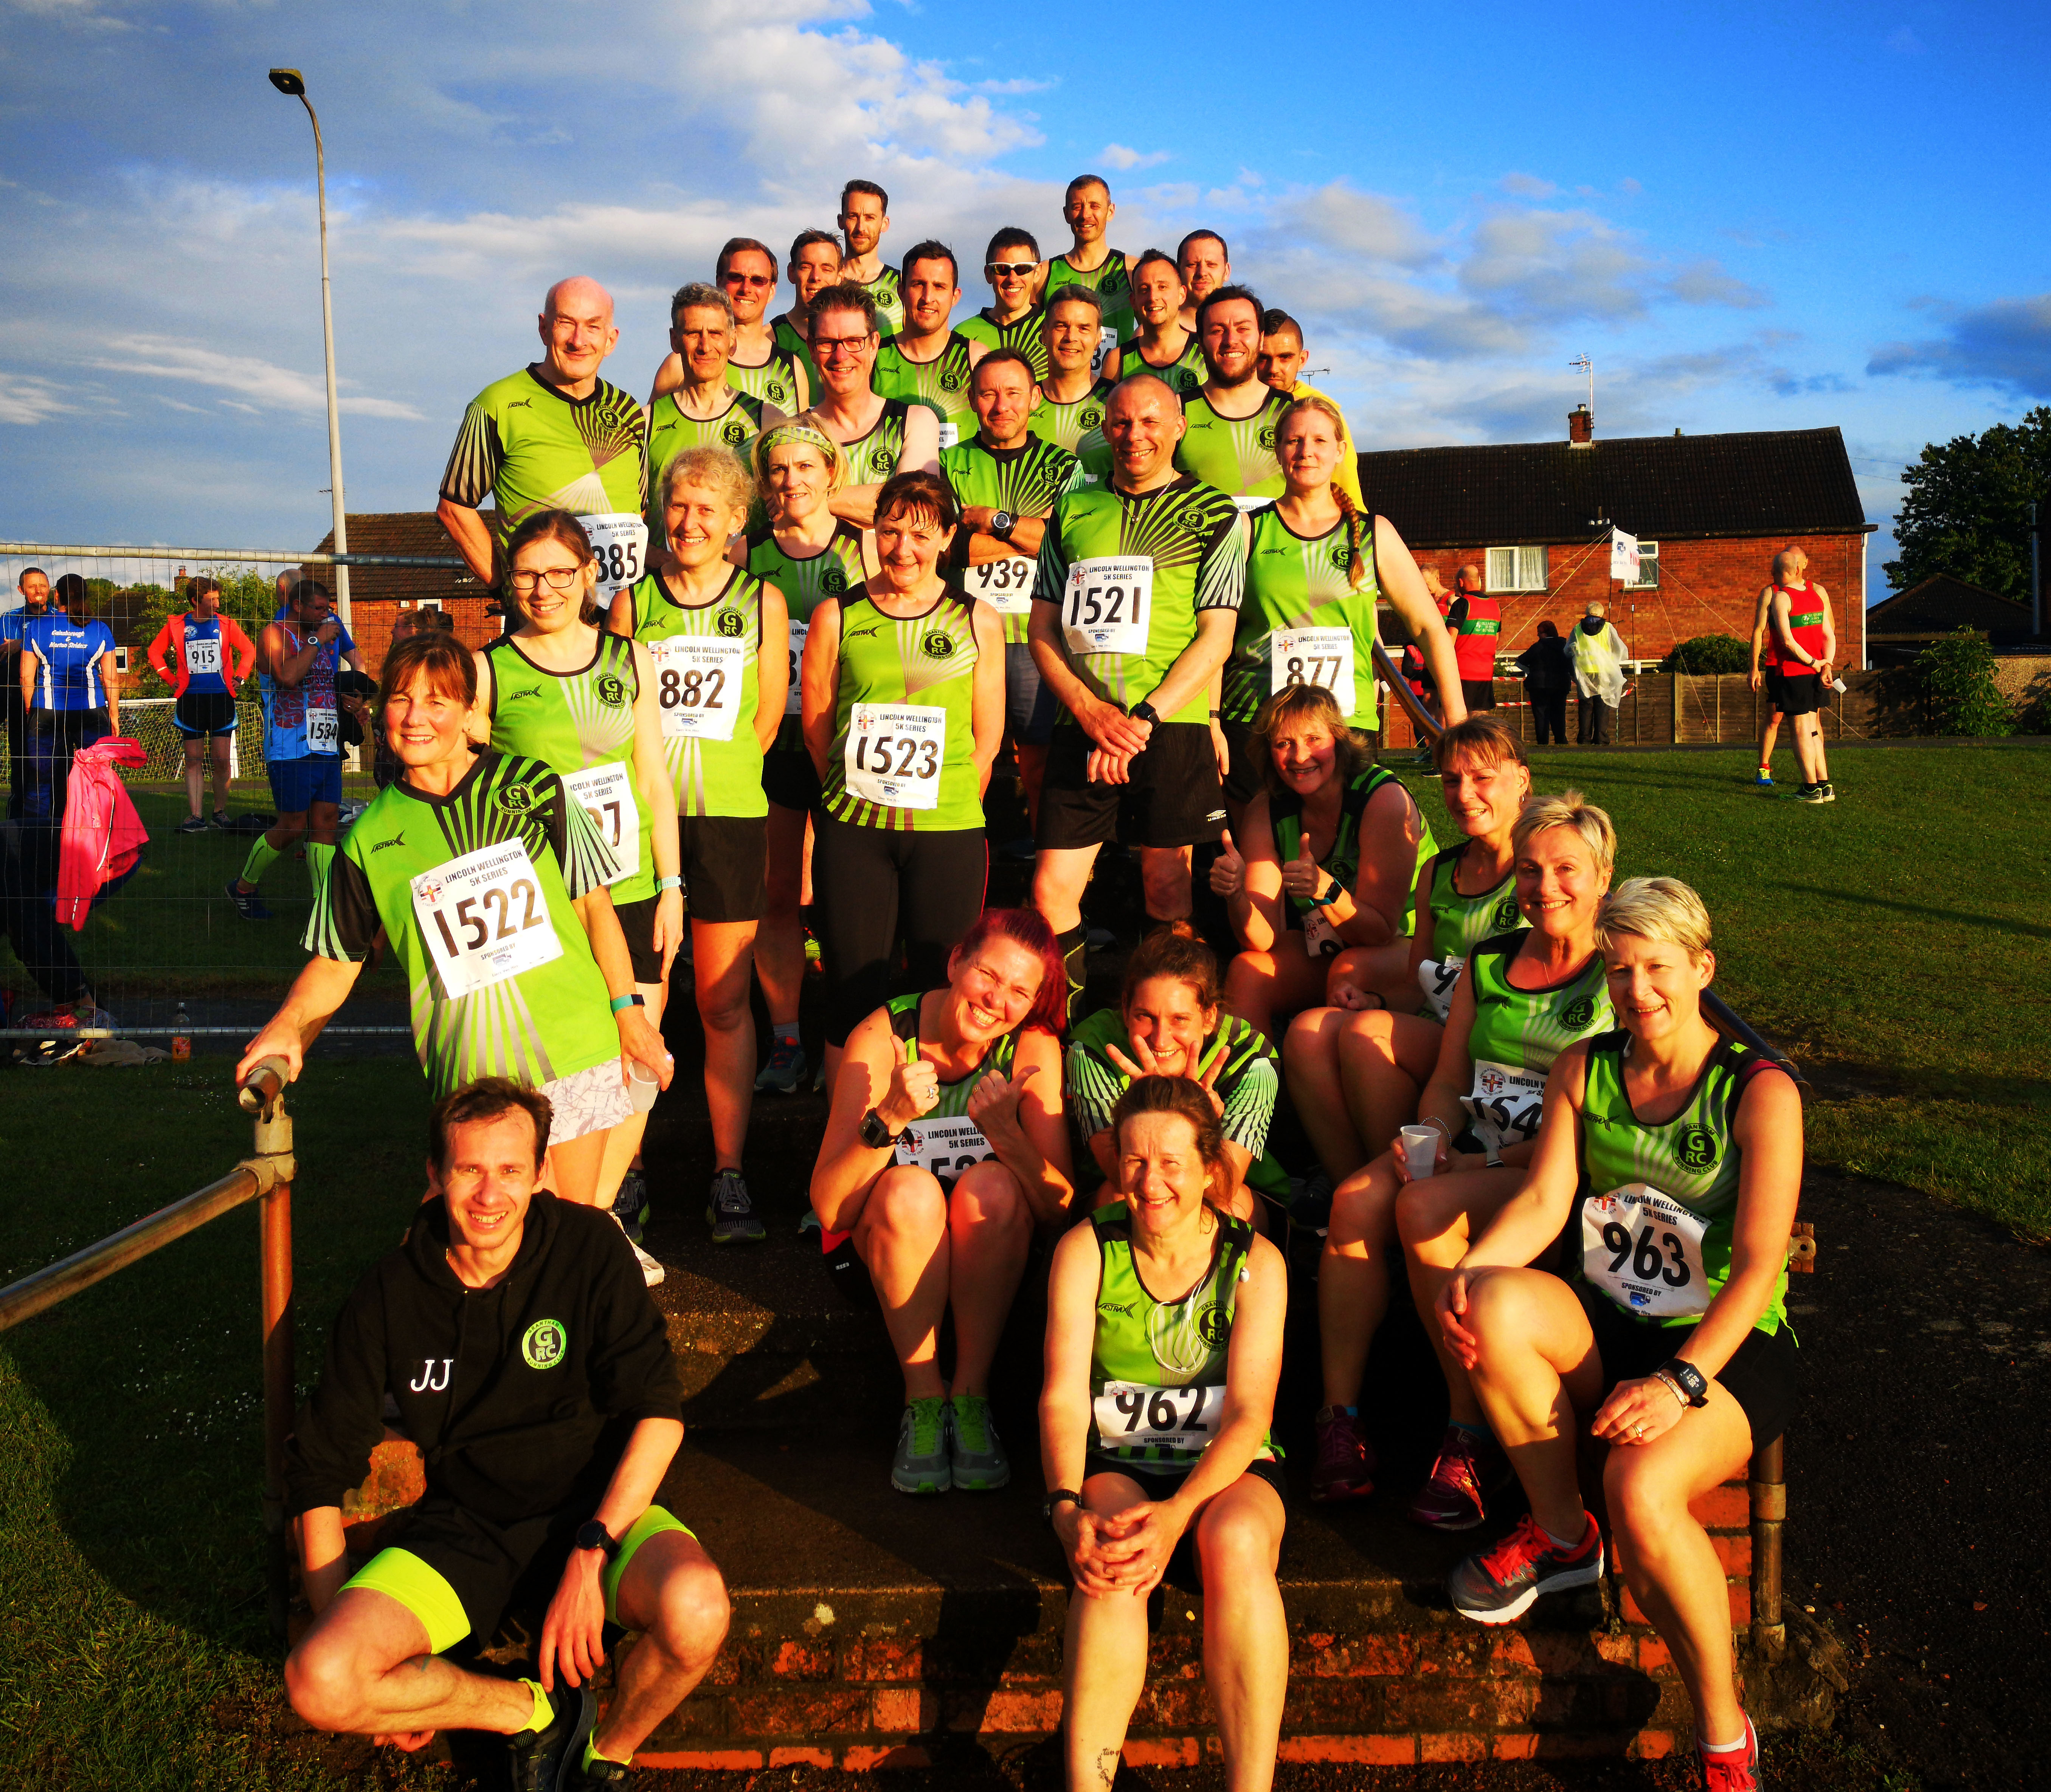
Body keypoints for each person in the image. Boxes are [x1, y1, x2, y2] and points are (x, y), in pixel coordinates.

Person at [1432, 879, 1798, 1790]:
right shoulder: (1582, 1067)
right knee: (1492, 1301)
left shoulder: (1758, 1091)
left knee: (1639, 1490)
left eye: (1658, 969)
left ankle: (1721, 1734)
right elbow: (1542, 1202)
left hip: (1722, 1342)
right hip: (1607, 1318)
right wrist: (1470, 1276)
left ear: (1700, 969)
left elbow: (1755, 1267)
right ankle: (1560, 1538)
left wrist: (1677, 1382)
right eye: (1621, 969)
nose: (1638, 991)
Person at [281, 1078, 730, 1788]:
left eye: (511, 1170)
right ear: (434, 1175)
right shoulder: (389, 1292)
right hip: (467, 1528)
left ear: (541, 1172)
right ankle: (525, 1713)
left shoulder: (588, 1249)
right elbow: (319, 1465)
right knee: (321, 1680)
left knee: (698, 1611)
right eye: (469, 1170)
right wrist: (349, 1637)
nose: (490, 1195)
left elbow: (659, 1411)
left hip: (597, 1512)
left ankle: (602, 1756)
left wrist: (592, 1549)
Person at [235, 630, 672, 1209]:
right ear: (379, 710)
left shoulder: (533, 785)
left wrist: (630, 1016)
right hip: (471, 1072)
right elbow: (337, 962)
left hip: (574, 1046)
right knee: (471, 1242)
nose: (416, 717)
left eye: (438, 701)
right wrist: (289, 1023)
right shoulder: (368, 838)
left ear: (471, 714)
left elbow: (594, 907)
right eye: (401, 699)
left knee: (565, 1231)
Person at [1314, 791, 1617, 1509]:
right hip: (1471, 1151)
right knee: (1353, 1202)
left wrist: (1471, 1164)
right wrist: (1437, 1134)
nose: (1545, 889)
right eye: (1531, 871)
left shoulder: (1617, 976)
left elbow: (1593, 1124)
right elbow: (1450, 1078)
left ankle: (1467, 1427)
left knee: (1423, 1206)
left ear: (1603, 876)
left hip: (1548, 1169)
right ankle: (1339, 1416)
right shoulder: (1489, 961)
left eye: (1566, 870)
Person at [1041, 1074, 1288, 1792]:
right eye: (1134, 1161)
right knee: (1112, 1544)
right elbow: (1061, 1396)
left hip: (1226, 1469)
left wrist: (1180, 1515)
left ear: (1210, 1170)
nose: (1150, 1184)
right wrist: (1062, 1505)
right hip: (1117, 1459)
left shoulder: (1255, 1262)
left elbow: (1249, 1415)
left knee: (1235, 1542)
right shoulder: (1086, 1249)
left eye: (1171, 1164)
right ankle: (1089, 1783)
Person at [478, 510, 683, 1283]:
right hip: (544, 906)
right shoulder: (490, 669)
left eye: (560, 572)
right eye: (528, 574)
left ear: (589, 576)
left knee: (638, 1065)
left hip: (632, 888)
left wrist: (672, 886)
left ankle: (597, 1225)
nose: (544, 589)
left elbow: (656, 781)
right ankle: (562, 1225)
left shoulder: (630, 658)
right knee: (560, 1070)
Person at [809, 909, 1073, 1493]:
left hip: (994, 1250)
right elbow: (830, 1209)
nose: (995, 1000)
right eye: (988, 975)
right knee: (910, 1191)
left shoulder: (1032, 1051)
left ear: (1032, 1006)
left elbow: (1059, 1208)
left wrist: (1008, 1136)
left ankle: (972, 1397)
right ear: (956, 963)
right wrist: (891, 1118)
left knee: (995, 1185)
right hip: (882, 1246)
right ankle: (924, 1399)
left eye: (1019, 992)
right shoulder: (884, 1037)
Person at [1027, 375, 1247, 1014]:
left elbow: (1217, 637)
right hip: (1082, 722)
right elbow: (1041, 628)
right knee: (1050, 891)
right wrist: (1089, 710)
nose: (1134, 436)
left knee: (1166, 887)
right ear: (1105, 429)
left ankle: (1169, 1026)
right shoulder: (1072, 510)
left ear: (1177, 427)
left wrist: (1143, 719)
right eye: (1120, 423)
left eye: (1149, 422)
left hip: (1166, 727)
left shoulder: (1214, 514)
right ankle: (1057, 1030)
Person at [616, 448, 789, 1244]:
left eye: (706, 510)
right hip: (645, 831)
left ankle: (728, 1174)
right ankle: (628, 1173)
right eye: (678, 507)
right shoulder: (631, 602)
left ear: (735, 523)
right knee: (638, 1005)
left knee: (722, 1001)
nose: (689, 523)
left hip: (725, 819)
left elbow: (762, 723)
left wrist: (709, 783)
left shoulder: (763, 601)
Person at [803, 470, 1004, 1080]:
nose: (901, 549)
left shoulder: (978, 618)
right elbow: (817, 722)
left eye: (919, 534)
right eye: (889, 532)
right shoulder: (836, 615)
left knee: (939, 986)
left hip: (946, 829)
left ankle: (931, 1128)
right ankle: (848, 1135)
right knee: (852, 989)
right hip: (855, 831)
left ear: (946, 538)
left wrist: (944, 804)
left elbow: (987, 735)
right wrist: (852, 796)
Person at [1288, 719, 1531, 1186]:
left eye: (1482, 778)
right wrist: (1378, 1001)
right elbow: (1419, 981)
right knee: (1307, 1032)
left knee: (1367, 1034)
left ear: (1521, 779)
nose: (1463, 795)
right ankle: (1354, 1183)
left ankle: (1404, 1183)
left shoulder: (1543, 872)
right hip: (1446, 1030)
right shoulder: (1440, 872)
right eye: (1452, 780)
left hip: (1505, 1044)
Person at [1216, 394, 1463, 819]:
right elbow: (1215, 634)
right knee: (1258, 863)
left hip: (1345, 727)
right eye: (1294, 441)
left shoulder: (1374, 533)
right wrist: (1211, 718)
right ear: (1277, 450)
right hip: (1258, 724)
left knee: (1347, 860)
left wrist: (1456, 723)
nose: (1306, 451)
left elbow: (1428, 627)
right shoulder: (1245, 529)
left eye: (1318, 440)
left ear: (1340, 451)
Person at [743, 422, 873, 1095]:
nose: (791, 481)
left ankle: (849, 1036)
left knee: (847, 898)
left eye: (803, 467)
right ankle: (788, 1037)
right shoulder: (746, 556)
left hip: (849, 746)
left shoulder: (867, 551)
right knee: (778, 898)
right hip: (775, 743)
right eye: (778, 471)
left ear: (830, 472)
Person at [1210, 683, 1435, 1048]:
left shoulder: (1382, 799)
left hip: (1410, 946)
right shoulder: (1265, 810)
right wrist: (1236, 895)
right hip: (1333, 947)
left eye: (1314, 739)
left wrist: (1324, 889)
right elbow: (1263, 939)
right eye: (1284, 744)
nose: (1300, 757)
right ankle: (1257, 1091)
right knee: (1247, 972)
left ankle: (1331, 1074)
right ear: (1268, 752)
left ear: (1339, 741)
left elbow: (1379, 931)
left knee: (1351, 971)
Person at [437, 277, 650, 613]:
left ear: (611, 340)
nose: (579, 340)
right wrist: (507, 587)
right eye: (566, 323)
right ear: (543, 328)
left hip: (622, 618)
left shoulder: (628, 411)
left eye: (593, 327)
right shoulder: (497, 404)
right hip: (542, 616)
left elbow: (638, 510)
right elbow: (454, 509)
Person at [940, 348, 1079, 830]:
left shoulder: (1063, 467)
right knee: (963, 760)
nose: (1002, 406)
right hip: (965, 634)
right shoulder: (949, 462)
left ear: (1035, 399)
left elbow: (1071, 546)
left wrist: (992, 522)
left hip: (1036, 634)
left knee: (1039, 766)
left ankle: (1042, 867)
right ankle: (961, 855)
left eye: (1013, 393)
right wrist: (1027, 536)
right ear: (973, 401)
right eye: (989, 394)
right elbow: (945, 551)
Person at [1065, 924, 1280, 1222]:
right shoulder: (1094, 1048)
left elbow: (1222, 1187)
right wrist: (1146, 1105)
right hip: (1119, 1187)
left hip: (1232, 1189)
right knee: (1120, 1198)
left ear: (1209, 1017)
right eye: (1146, 1017)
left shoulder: (1250, 1058)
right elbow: (1120, 1175)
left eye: (1180, 1019)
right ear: (1126, 1009)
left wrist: (1197, 1118)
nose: (1161, 1039)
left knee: (1233, 1208)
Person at [224, 580, 362, 930]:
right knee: (291, 826)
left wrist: (350, 699)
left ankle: (322, 906)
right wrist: (318, 640)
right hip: (290, 746)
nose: (326, 614)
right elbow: (288, 676)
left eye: (328, 608)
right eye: (319, 608)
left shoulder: (325, 638)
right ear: (298, 606)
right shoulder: (275, 633)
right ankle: (242, 887)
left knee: (327, 821)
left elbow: (326, 680)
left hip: (325, 741)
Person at [805, 284, 942, 526]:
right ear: (812, 350)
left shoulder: (916, 421)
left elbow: (913, 510)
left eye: (854, 341)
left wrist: (811, 499)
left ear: (874, 345)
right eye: (827, 343)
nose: (841, 355)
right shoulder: (796, 434)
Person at [645, 285, 783, 522]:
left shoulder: (767, 421)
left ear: (732, 342)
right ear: (675, 340)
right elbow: (633, 515)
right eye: (693, 333)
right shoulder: (646, 422)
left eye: (716, 334)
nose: (705, 346)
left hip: (741, 561)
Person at [148, 574, 257, 833]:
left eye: (219, 599)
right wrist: (168, 677)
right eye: (212, 600)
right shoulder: (178, 625)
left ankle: (220, 812)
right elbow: (155, 651)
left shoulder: (227, 624)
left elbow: (249, 650)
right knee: (194, 759)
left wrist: (240, 676)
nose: (218, 605)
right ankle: (196, 816)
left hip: (221, 698)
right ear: (196, 601)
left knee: (221, 760)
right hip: (191, 700)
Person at [17, 573, 119, 826]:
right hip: (92, 714)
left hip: (48, 714)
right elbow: (111, 679)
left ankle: (37, 849)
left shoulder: (38, 626)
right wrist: (114, 717)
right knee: (97, 780)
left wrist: (31, 707)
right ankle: (98, 844)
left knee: (40, 784)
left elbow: (25, 676)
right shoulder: (99, 629)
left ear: (57, 596)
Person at [1175, 287, 1291, 508]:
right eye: (1218, 331)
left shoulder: (1293, 412)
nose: (1231, 340)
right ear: (1200, 342)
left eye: (1243, 329)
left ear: (1261, 338)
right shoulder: (1176, 412)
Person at [871, 239, 984, 450]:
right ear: (902, 291)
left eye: (939, 287)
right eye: (918, 285)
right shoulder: (874, 356)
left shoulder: (975, 358)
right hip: (891, 482)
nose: (928, 297)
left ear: (955, 296)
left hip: (955, 482)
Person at [1254, 310, 1364, 510]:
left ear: (1303, 359)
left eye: (1285, 357)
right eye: (1263, 358)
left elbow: (1348, 488)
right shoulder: (1224, 405)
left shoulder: (1326, 414)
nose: (1273, 368)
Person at [1036, 174, 1134, 375]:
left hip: (1118, 389)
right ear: (1066, 214)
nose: (1085, 215)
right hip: (1060, 391)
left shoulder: (1131, 270)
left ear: (1111, 211)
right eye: (1077, 207)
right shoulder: (1045, 272)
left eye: (1095, 206)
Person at [1763, 550, 1837, 804]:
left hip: (1796, 672)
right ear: (1797, 569)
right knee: (1815, 730)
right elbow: (1830, 634)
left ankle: (1809, 788)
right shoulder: (1817, 595)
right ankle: (1825, 785)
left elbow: (1787, 641)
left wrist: (1815, 663)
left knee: (1800, 731)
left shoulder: (1781, 598)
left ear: (1777, 571)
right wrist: (1827, 665)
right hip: (1818, 673)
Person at [718, 236, 808, 415]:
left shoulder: (792, 368)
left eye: (758, 280)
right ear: (719, 282)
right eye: (736, 277)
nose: (746, 288)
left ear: (772, 291)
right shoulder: (685, 362)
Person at [1028, 287, 1118, 459]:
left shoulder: (1118, 402)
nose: (1071, 337)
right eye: (1061, 326)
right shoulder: (1022, 404)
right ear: (1045, 333)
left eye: (1084, 328)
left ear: (1099, 338)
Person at [959, 228, 1049, 381]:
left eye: (1023, 269)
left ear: (1037, 273)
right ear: (988, 274)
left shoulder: (1057, 328)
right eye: (1002, 269)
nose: (1013, 279)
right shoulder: (963, 335)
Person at [1118, 251, 1206, 400]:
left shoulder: (1206, 353)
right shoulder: (1118, 361)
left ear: (1181, 295)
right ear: (1133, 301)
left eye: (1163, 287)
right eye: (1144, 290)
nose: (1153, 297)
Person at [2, 567, 52, 819]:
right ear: (22, 590)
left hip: (55, 702)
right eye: (32, 587)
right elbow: (3, 653)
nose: (39, 591)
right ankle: (19, 820)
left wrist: (22, 644)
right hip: (19, 702)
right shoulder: (8, 620)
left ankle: (57, 818)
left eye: (43, 585)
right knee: (22, 761)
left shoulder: (60, 618)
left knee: (55, 762)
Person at [775, 228, 843, 409]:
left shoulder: (856, 342)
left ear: (840, 277)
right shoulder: (770, 339)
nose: (816, 277)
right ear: (791, 272)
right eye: (806, 267)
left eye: (826, 268)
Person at [836, 179, 904, 335]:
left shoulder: (901, 284)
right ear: (841, 221)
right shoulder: (827, 280)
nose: (861, 228)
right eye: (853, 216)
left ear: (884, 224)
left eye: (870, 218)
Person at [1745, 570, 1789, 793]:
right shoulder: (1770, 593)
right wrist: (1754, 667)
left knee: (1812, 722)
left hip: (1807, 667)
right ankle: (1764, 767)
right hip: (1777, 666)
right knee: (1774, 717)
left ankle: (1818, 777)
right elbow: (1759, 629)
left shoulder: (1813, 591)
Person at [1446, 563, 1501, 714]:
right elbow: (1496, 639)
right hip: (1486, 673)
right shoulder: (1495, 606)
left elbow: (1450, 640)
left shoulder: (1462, 604)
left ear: (1461, 583)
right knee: (1481, 719)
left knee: (1459, 718)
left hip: (1462, 672)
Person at [1573, 601, 1627, 744]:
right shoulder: (1608, 627)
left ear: (1587, 612)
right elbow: (1619, 648)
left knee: (1586, 705)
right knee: (1602, 704)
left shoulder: (1578, 628)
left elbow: (1569, 649)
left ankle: (1584, 738)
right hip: (1604, 671)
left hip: (1585, 672)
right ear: (1602, 613)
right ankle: (1601, 738)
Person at [1515, 620, 1573, 746]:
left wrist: (1533, 672)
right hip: (1560, 684)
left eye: (1539, 633)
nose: (1538, 636)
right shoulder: (1564, 646)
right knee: (1559, 714)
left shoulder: (1538, 647)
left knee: (1541, 716)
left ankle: (1543, 743)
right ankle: (1561, 741)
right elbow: (1571, 664)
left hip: (1539, 686)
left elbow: (1520, 662)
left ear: (1545, 634)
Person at [1175, 230, 1231, 333]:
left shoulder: (1249, 335)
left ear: (1227, 271)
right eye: (1192, 265)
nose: (1202, 273)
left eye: (1211, 264)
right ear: (1178, 272)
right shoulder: (1151, 338)